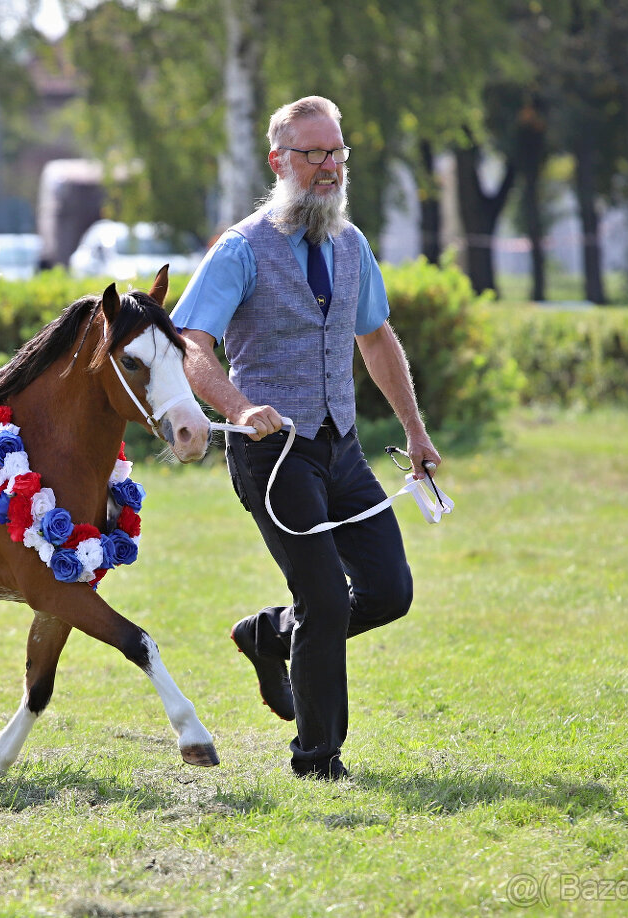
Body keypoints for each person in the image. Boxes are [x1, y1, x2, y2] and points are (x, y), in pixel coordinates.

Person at [172, 95, 441, 780]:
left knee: (388, 590)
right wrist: (238, 405)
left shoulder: (351, 245)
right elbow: (191, 342)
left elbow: (376, 336)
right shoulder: (242, 248)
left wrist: (414, 429)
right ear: (279, 161)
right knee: (323, 598)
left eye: (336, 153)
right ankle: (317, 761)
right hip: (271, 455)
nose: (329, 166)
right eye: (313, 154)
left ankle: (271, 634)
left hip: (342, 447)